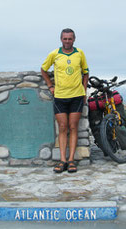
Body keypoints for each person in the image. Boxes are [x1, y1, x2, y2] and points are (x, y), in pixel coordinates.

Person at [41, 28, 89, 173]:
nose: (67, 41)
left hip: (76, 96)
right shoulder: (54, 54)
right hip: (60, 96)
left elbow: (86, 73)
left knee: (73, 127)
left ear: (74, 39)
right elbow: (43, 70)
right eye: (65, 38)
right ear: (61, 39)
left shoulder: (79, 53)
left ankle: (71, 160)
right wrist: (50, 86)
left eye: (70, 38)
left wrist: (84, 90)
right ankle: (62, 160)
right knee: (62, 127)